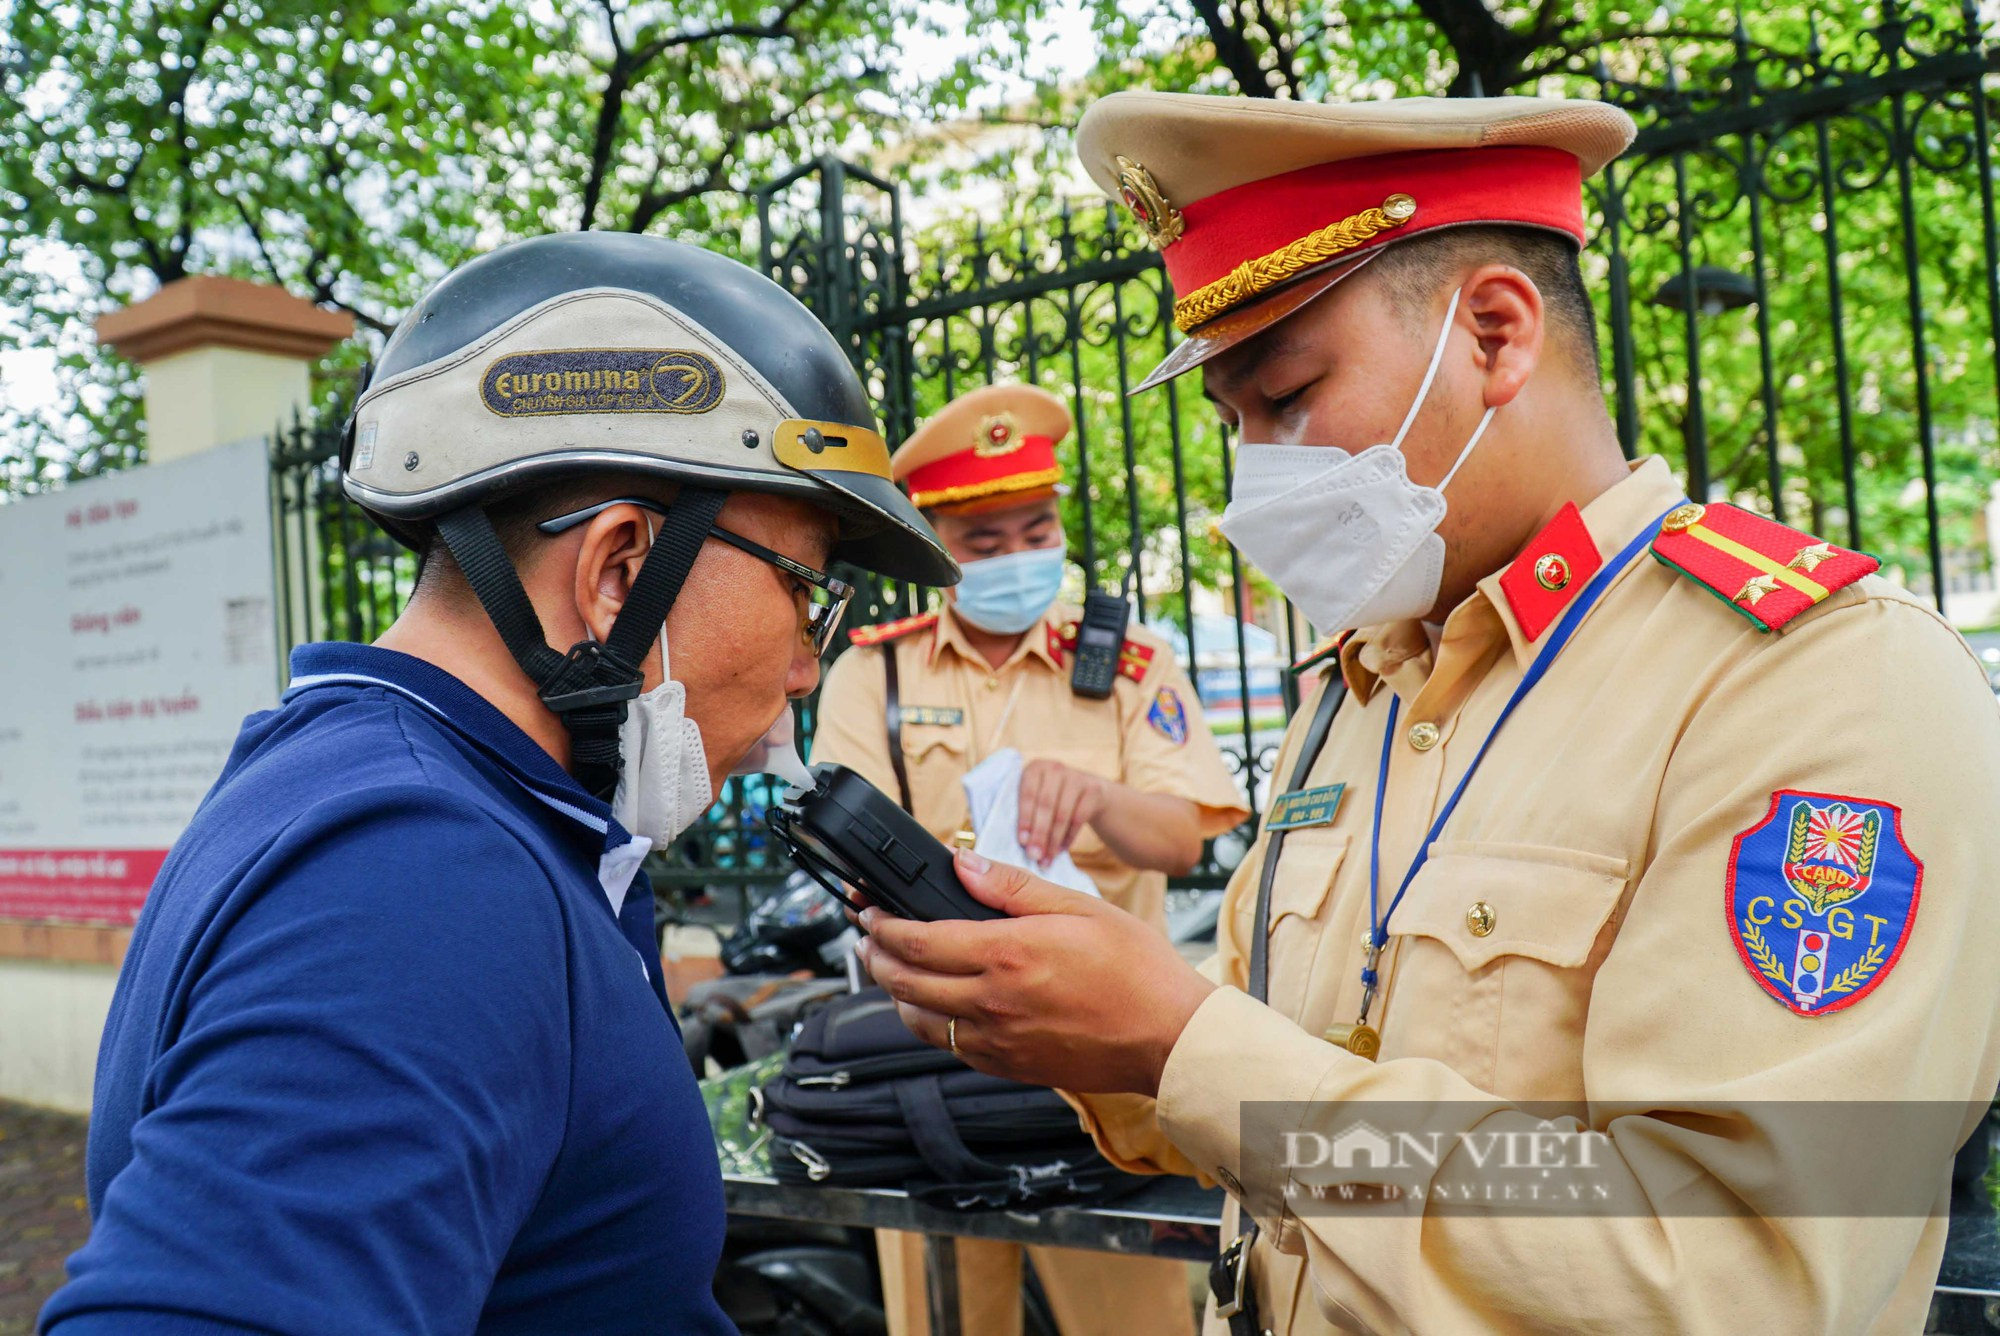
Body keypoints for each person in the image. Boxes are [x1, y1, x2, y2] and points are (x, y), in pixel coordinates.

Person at [852, 91, 2000, 1334]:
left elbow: (1728, 1274)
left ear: (1496, 335)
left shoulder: (1805, 683)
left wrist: (1188, 1047)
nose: (1253, 478)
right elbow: (1276, 1069)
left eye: (1286, 396)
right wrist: (1090, 1024)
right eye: (1232, 426)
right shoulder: (1354, 691)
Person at [42, 232, 956, 1335]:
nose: (811, 664)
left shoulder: (389, 792)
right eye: (807, 595)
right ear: (620, 570)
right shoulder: (423, 872)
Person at [810, 381, 1248, 1336]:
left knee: (1126, 1314)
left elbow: (1185, 838)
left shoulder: (1129, 666)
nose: (1019, 558)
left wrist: (1095, 796)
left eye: (1036, 532)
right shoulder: (876, 671)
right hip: (934, 1053)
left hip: (1106, 1061)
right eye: (986, 542)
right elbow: (842, 845)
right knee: (947, 1314)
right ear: (934, 542)